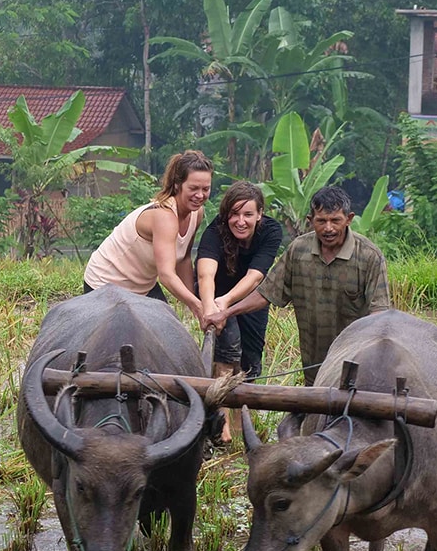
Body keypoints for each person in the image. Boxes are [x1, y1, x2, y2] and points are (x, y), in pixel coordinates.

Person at [202, 185, 390, 385]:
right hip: (313, 370)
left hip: (355, 369)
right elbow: (265, 294)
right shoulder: (298, 250)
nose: (328, 228)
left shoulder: (370, 256)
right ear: (310, 221)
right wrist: (226, 313)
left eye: (335, 220)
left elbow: (380, 316)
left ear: (349, 219)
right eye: (321, 221)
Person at [196, 181, 282, 443]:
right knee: (226, 352)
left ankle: (239, 419)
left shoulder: (271, 231)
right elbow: (205, 272)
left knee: (250, 362)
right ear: (226, 215)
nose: (240, 221)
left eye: (247, 214)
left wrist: (228, 302)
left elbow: (256, 276)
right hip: (215, 294)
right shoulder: (215, 231)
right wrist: (211, 306)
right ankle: (222, 427)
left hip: (251, 298)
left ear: (260, 214)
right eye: (234, 214)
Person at [83, 150, 212, 322]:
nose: (200, 195)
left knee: (167, 329)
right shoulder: (164, 216)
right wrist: (196, 305)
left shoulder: (197, 213)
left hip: (142, 286)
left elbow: (184, 259)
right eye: (193, 188)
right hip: (105, 283)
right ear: (177, 185)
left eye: (206, 189)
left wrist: (192, 304)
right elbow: (166, 275)